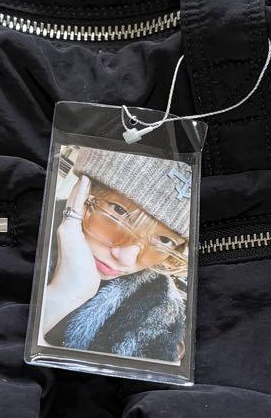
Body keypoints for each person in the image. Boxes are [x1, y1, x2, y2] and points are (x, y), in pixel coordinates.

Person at [40, 147, 191, 363]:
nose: (126, 258)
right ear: (81, 192)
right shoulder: (25, 232)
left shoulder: (161, 314)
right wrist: (63, 295)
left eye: (164, 241)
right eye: (119, 211)